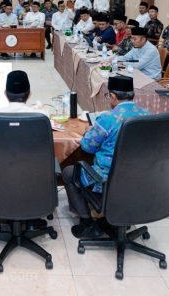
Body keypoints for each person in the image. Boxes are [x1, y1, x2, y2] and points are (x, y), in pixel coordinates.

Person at [62, 75, 149, 238]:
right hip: (140, 178)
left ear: (113, 96)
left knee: (68, 172)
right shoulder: (147, 115)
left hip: (108, 179)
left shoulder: (108, 119)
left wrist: (89, 132)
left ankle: (87, 223)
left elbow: (87, 147)